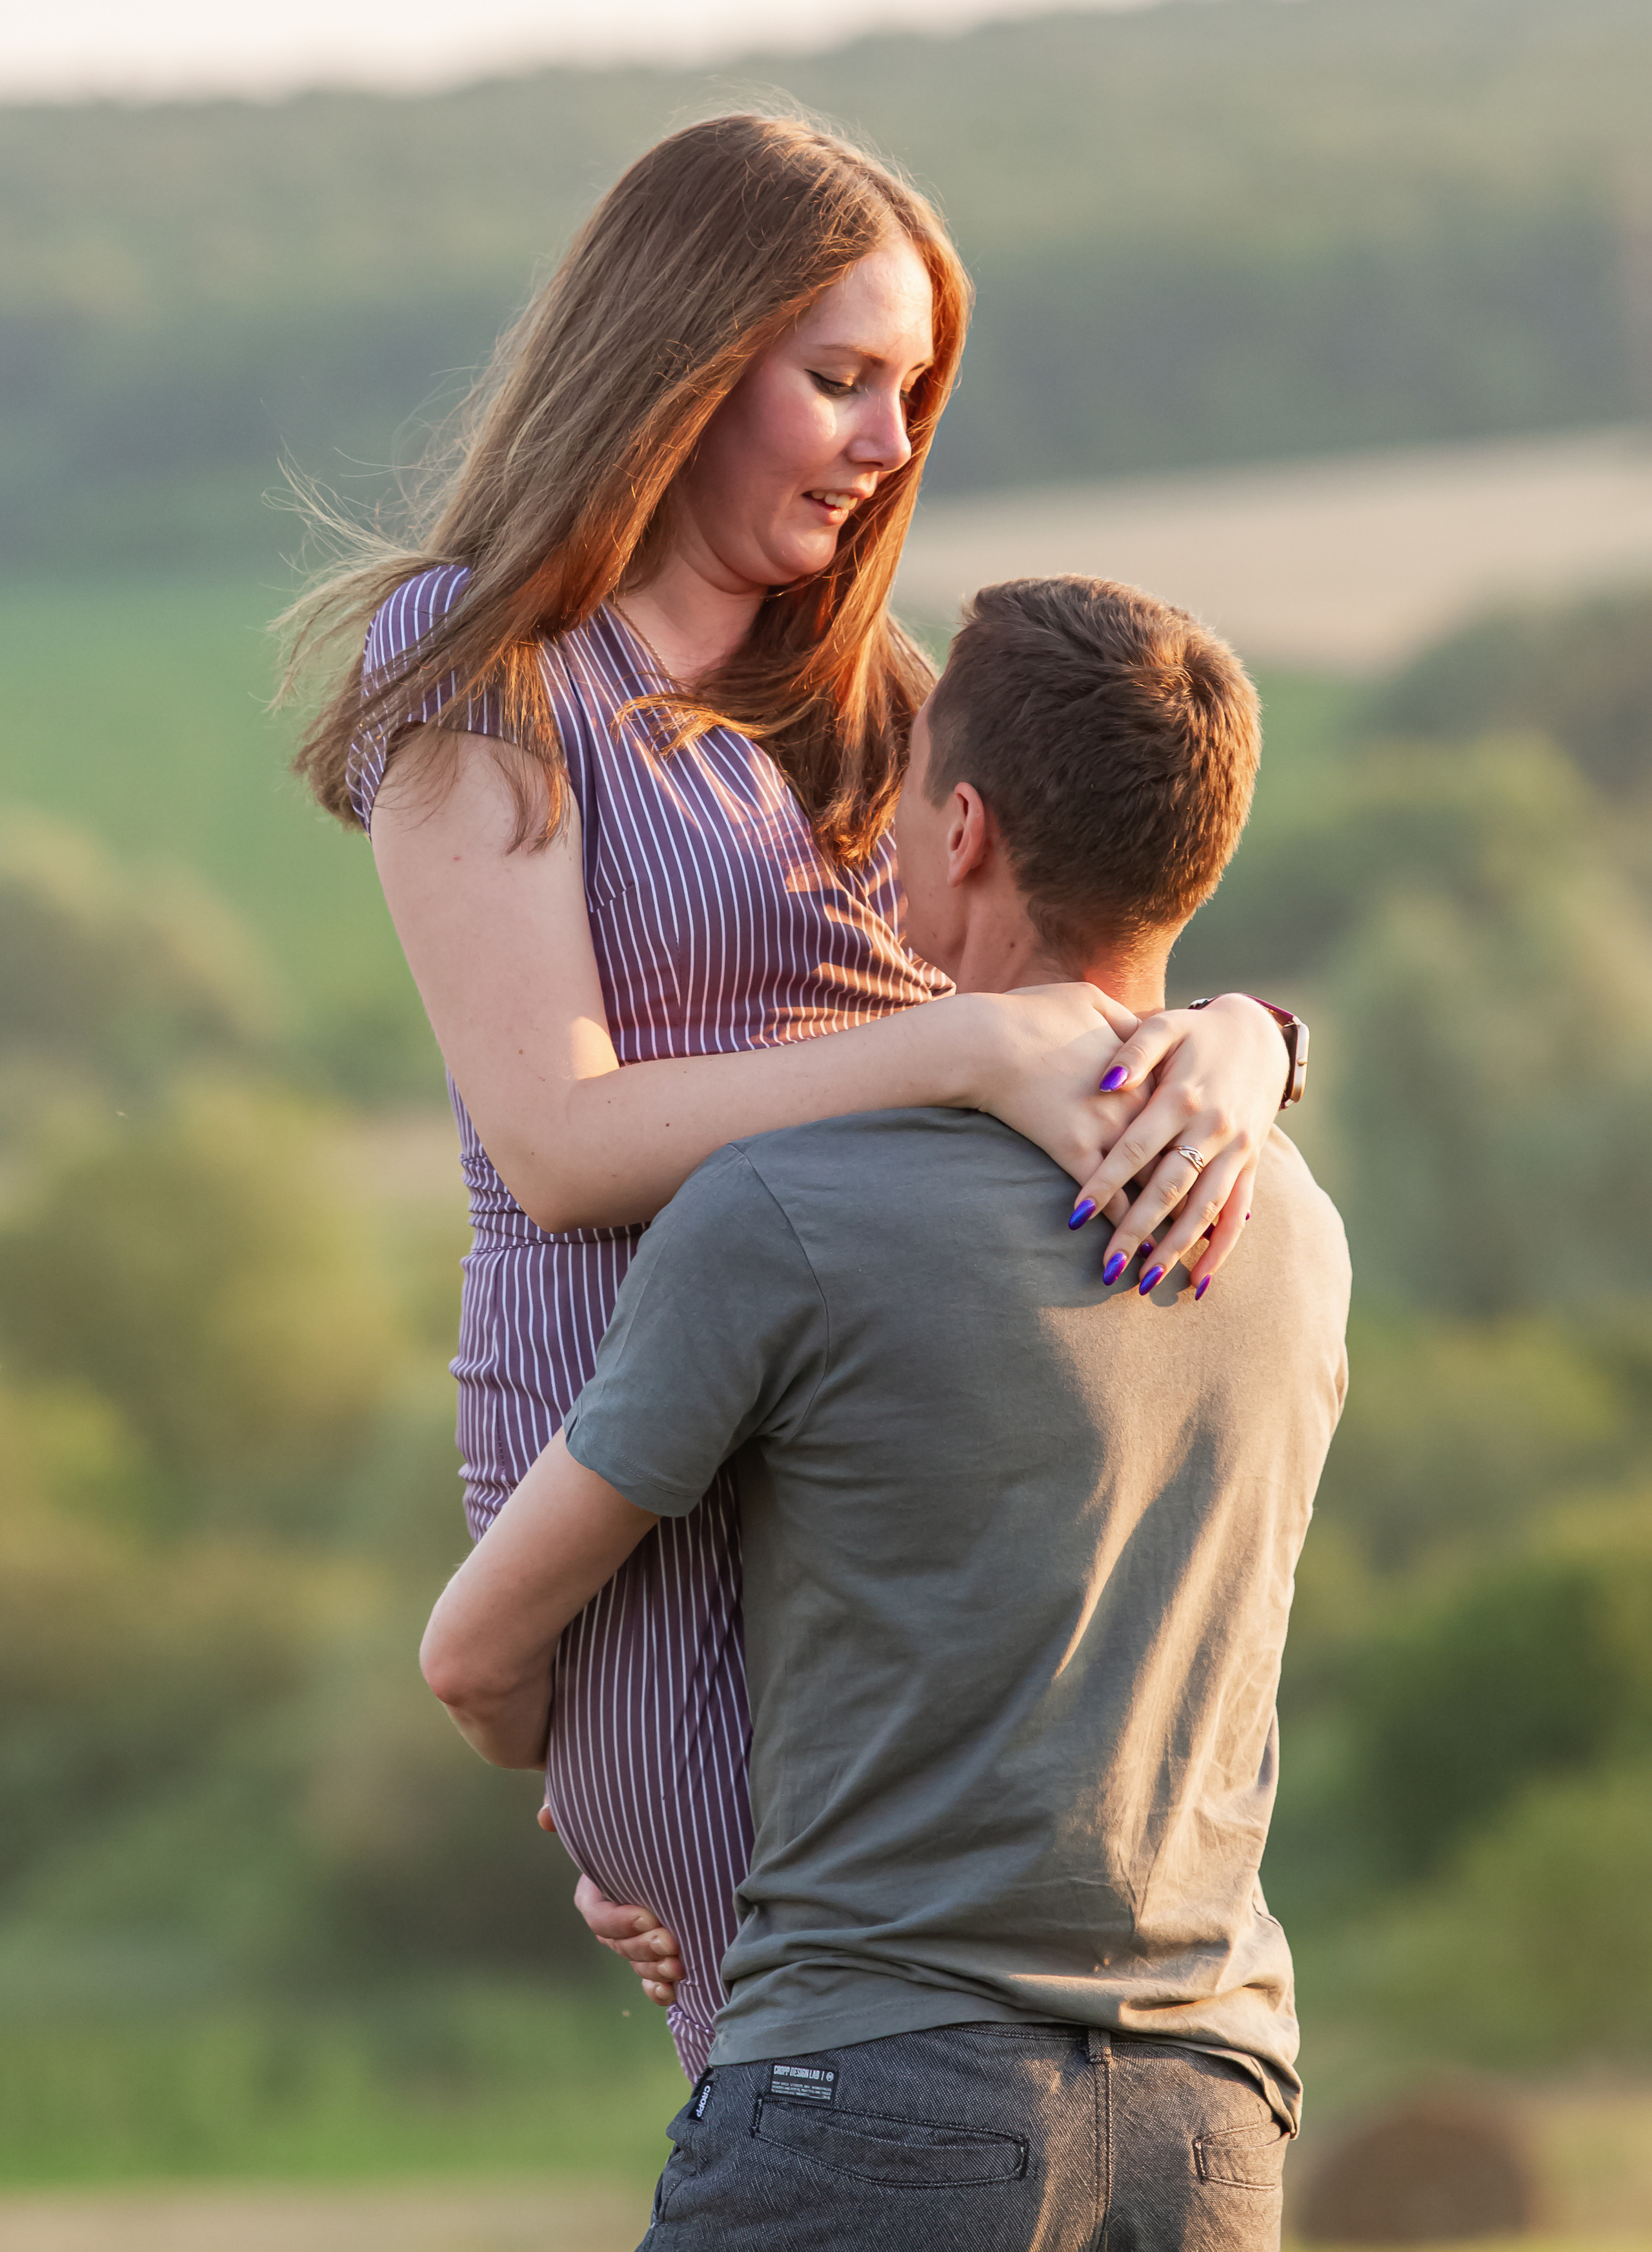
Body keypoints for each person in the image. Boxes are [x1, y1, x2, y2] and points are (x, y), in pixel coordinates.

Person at [283, 116, 1303, 2077]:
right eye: (839, 379)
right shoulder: (488, 661)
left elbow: (1095, 997)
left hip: (890, 1469)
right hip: (637, 1480)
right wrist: (956, 1046)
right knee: (828, 2083)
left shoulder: (874, 696)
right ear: (682, 360)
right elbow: (560, 1145)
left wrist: (1255, 1045)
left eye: (909, 393)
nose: (888, 442)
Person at [421, 576, 1349, 2248]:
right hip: (1213, 2124)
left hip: (880, 2100)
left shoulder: (788, 1215)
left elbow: (477, 1656)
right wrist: (1250, 1037)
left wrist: (602, 1798)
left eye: (900, 799)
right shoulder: (1294, 1232)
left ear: (969, 829)